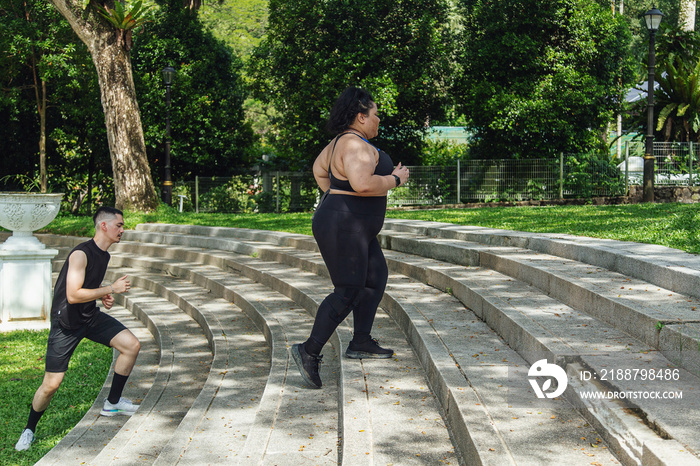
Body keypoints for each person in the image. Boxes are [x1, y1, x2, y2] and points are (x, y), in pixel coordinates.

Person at [291, 87, 410, 389]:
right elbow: (361, 183)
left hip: (352, 225)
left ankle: (361, 341)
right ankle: (308, 351)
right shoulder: (354, 144)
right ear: (360, 116)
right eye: (375, 114)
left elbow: (320, 171)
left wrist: (335, 196)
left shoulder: (338, 144)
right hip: (346, 225)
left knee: (375, 276)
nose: (378, 120)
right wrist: (394, 180)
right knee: (348, 289)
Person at [15, 206, 140, 452]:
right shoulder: (80, 254)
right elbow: (73, 295)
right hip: (66, 324)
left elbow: (87, 287)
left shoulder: (104, 255)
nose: (122, 230)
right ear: (104, 226)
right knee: (51, 385)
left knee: (132, 346)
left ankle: (112, 403)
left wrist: (103, 294)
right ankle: (29, 429)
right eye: (119, 225)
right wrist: (110, 290)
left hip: (89, 317)